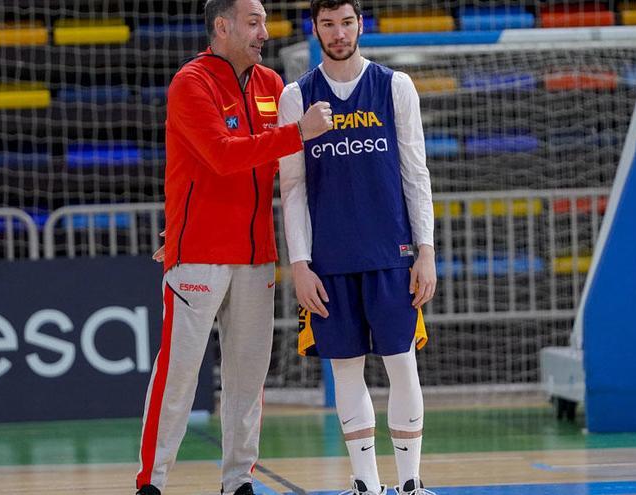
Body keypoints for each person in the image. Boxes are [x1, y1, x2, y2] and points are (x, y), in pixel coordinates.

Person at [135, 0, 333, 493]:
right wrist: (295, 134)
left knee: (248, 380)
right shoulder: (191, 83)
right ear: (222, 27)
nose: (264, 31)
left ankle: (238, 480)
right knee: (178, 378)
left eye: (264, 21)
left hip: (256, 256)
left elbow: (282, 169)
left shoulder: (271, 85)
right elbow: (222, 158)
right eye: (254, 22)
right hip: (198, 253)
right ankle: (151, 483)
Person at [278, 1, 437, 494]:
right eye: (328, 24)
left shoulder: (395, 87)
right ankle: (365, 484)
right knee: (345, 371)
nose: (339, 33)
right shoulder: (296, 96)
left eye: (347, 22)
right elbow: (292, 188)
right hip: (329, 262)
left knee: (401, 362)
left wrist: (426, 250)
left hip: (392, 255)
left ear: (360, 25)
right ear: (315, 29)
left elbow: (415, 172)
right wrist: (300, 265)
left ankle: (410, 482)